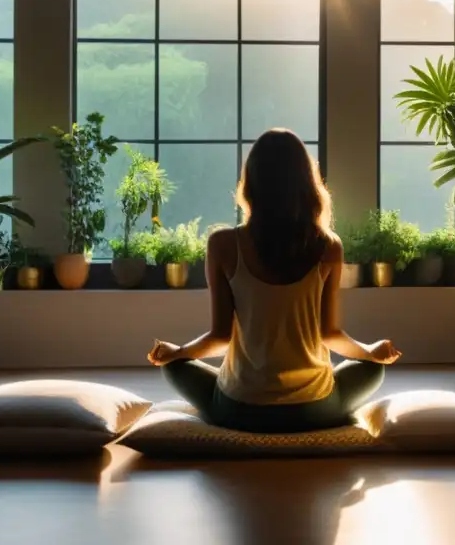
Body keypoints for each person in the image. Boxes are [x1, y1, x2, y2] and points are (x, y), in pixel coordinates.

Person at [147, 128, 402, 433]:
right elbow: (330, 334)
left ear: (251, 183)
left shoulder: (223, 244)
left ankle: (222, 395)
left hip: (240, 409)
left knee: (174, 367)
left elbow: (220, 337)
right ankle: (330, 408)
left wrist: (177, 353)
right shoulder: (328, 245)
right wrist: (371, 351)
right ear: (307, 183)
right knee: (373, 370)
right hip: (313, 409)